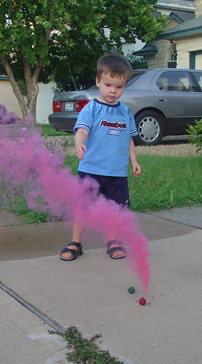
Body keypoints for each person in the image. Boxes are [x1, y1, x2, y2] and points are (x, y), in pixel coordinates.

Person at [60, 54, 141, 261]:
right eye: (108, 84)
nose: (113, 91)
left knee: (115, 210)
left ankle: (113, 240)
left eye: (119, 86)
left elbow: (129, 140)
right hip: (91, 170)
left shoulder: (125, 113)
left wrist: (134, 161)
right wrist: (79, 144)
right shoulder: (92, 108)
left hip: (117, 172)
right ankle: (76, 242)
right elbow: (82, 130)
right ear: (98, 81)